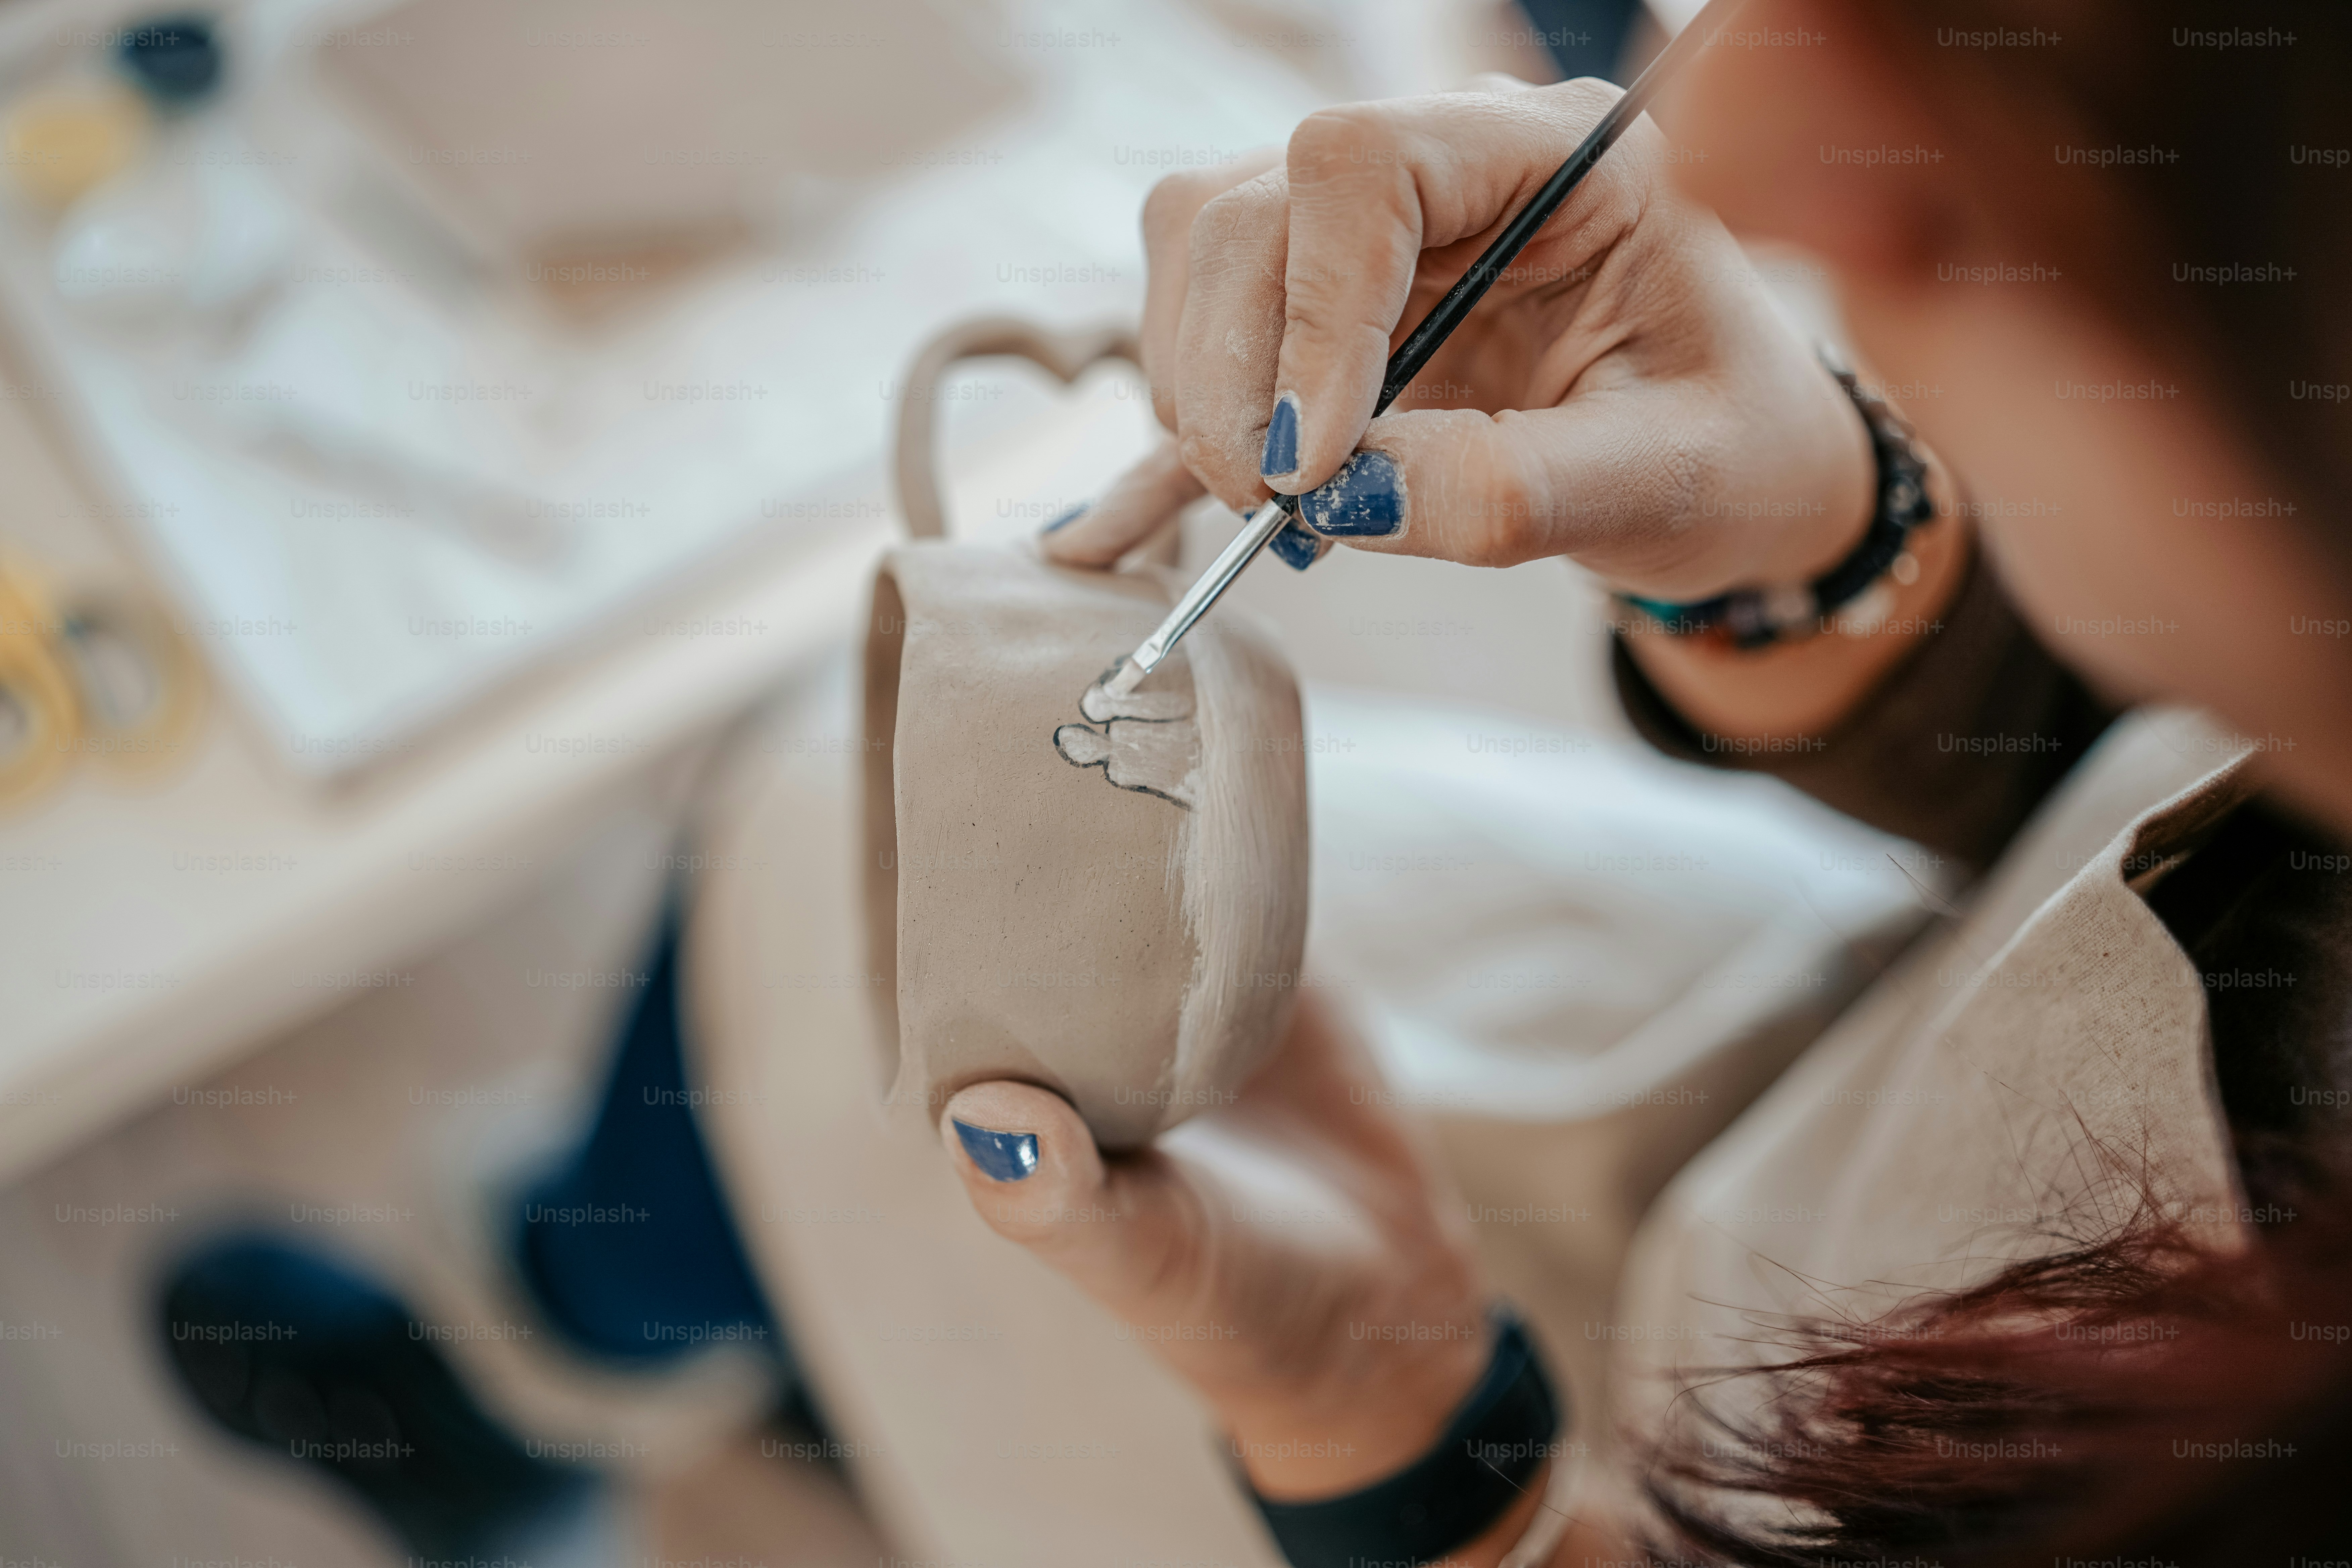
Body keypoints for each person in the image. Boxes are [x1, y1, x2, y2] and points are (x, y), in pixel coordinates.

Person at [928, 0, 2352, 1562]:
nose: (1721, 142)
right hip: (1858, 1056)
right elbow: (2192, 796)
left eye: (2013, 56)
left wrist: (1395, 1441)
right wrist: (1804, 541)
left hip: (1662, 1376)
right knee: (804, 877)